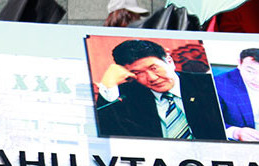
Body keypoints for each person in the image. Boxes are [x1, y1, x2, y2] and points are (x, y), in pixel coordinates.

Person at [93, 38, 225, 140]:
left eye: (154, 68)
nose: (151, 78)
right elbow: (107, 133)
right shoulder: (127, 96)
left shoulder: (207, 85)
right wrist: (108, 84)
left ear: (169, 61)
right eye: (138, 73)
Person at [214, 48, 259, 141]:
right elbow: (209, 122)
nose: (257, 79)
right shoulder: (219, 85)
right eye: (250, 71)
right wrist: (235, 133)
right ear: (239, 64)